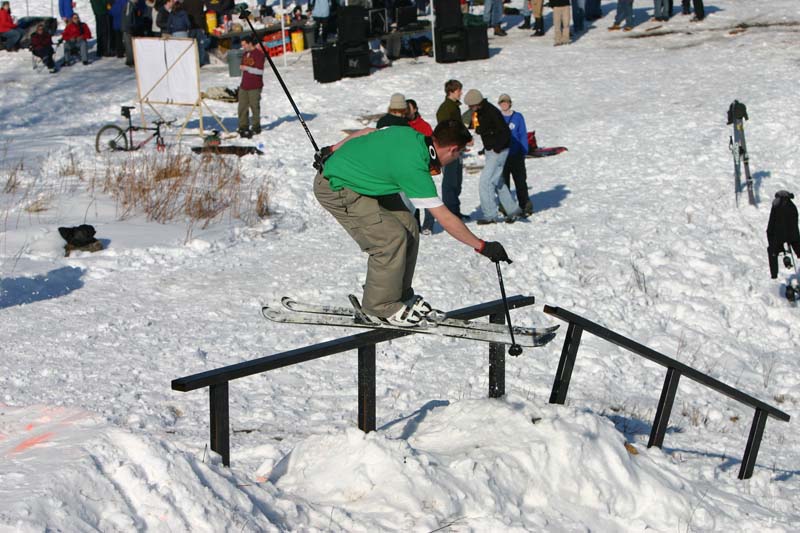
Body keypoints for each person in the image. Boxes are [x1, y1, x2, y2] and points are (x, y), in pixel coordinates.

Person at [313, 120, 512, 326]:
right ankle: (379, 307)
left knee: (409, 225)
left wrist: (331, 149)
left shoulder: (410, 135)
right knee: (389, 239)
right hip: (337, 186)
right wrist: (482, 246)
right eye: (459, 154)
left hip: (364, 182)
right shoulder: (415, 166)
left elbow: (366, 132)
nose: (457, 158)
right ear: (453, 149)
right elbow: (445, 217)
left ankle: (399, 295)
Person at [463, 89, 522, 224]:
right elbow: (488, 129)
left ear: (477, 103)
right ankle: (513, 210)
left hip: (498, 151)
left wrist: (497, 148)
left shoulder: (491, 112)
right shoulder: (481, 111)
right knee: (498, 181)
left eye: (471, 105)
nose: (470, 108)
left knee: (486, 182)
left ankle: (490, 215)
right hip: (492, 150)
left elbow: (505, 132)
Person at [436, 79, 469, 221]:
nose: (461, 93)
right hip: (449, 150)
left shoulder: (454, 107)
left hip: (457, 149)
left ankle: (455, 209)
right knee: (450, 180)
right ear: (451, 91)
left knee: (457, 180)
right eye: (458, 90)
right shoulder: (445, 109)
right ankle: (450, 212)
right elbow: (447, 130)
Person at [498, 94, 533, 216]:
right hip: (503, 155)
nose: (504, 105)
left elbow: (522, 133)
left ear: (510, 103)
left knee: (520, 181)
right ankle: (505, 206)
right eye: (502, 103)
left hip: (516, 154)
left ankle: (525, 205)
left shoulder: (517, 117)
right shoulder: (498, 117)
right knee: (504, 183)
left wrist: (524, 150)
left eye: (506, 102)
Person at [406, 99, 437, 235]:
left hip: (423, 167)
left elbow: (431, 146)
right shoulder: (403, 126)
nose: (407, 111)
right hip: (407, 168)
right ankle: (415, 225)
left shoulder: (424, 126)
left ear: (415, 109)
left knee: (427, 196)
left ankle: (428, 225)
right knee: (410, 198)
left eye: (409, 109)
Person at [237, 35, 264, 138]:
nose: (243, 47)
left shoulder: (259, 55)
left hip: (255, 85)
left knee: (254, 106)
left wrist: (247, 68)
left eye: (244, 45)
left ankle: (256, 126)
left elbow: (260, 71)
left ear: (249, 43)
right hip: (244, 85)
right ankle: (243, 126)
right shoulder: (245, 54)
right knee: (242, 107)